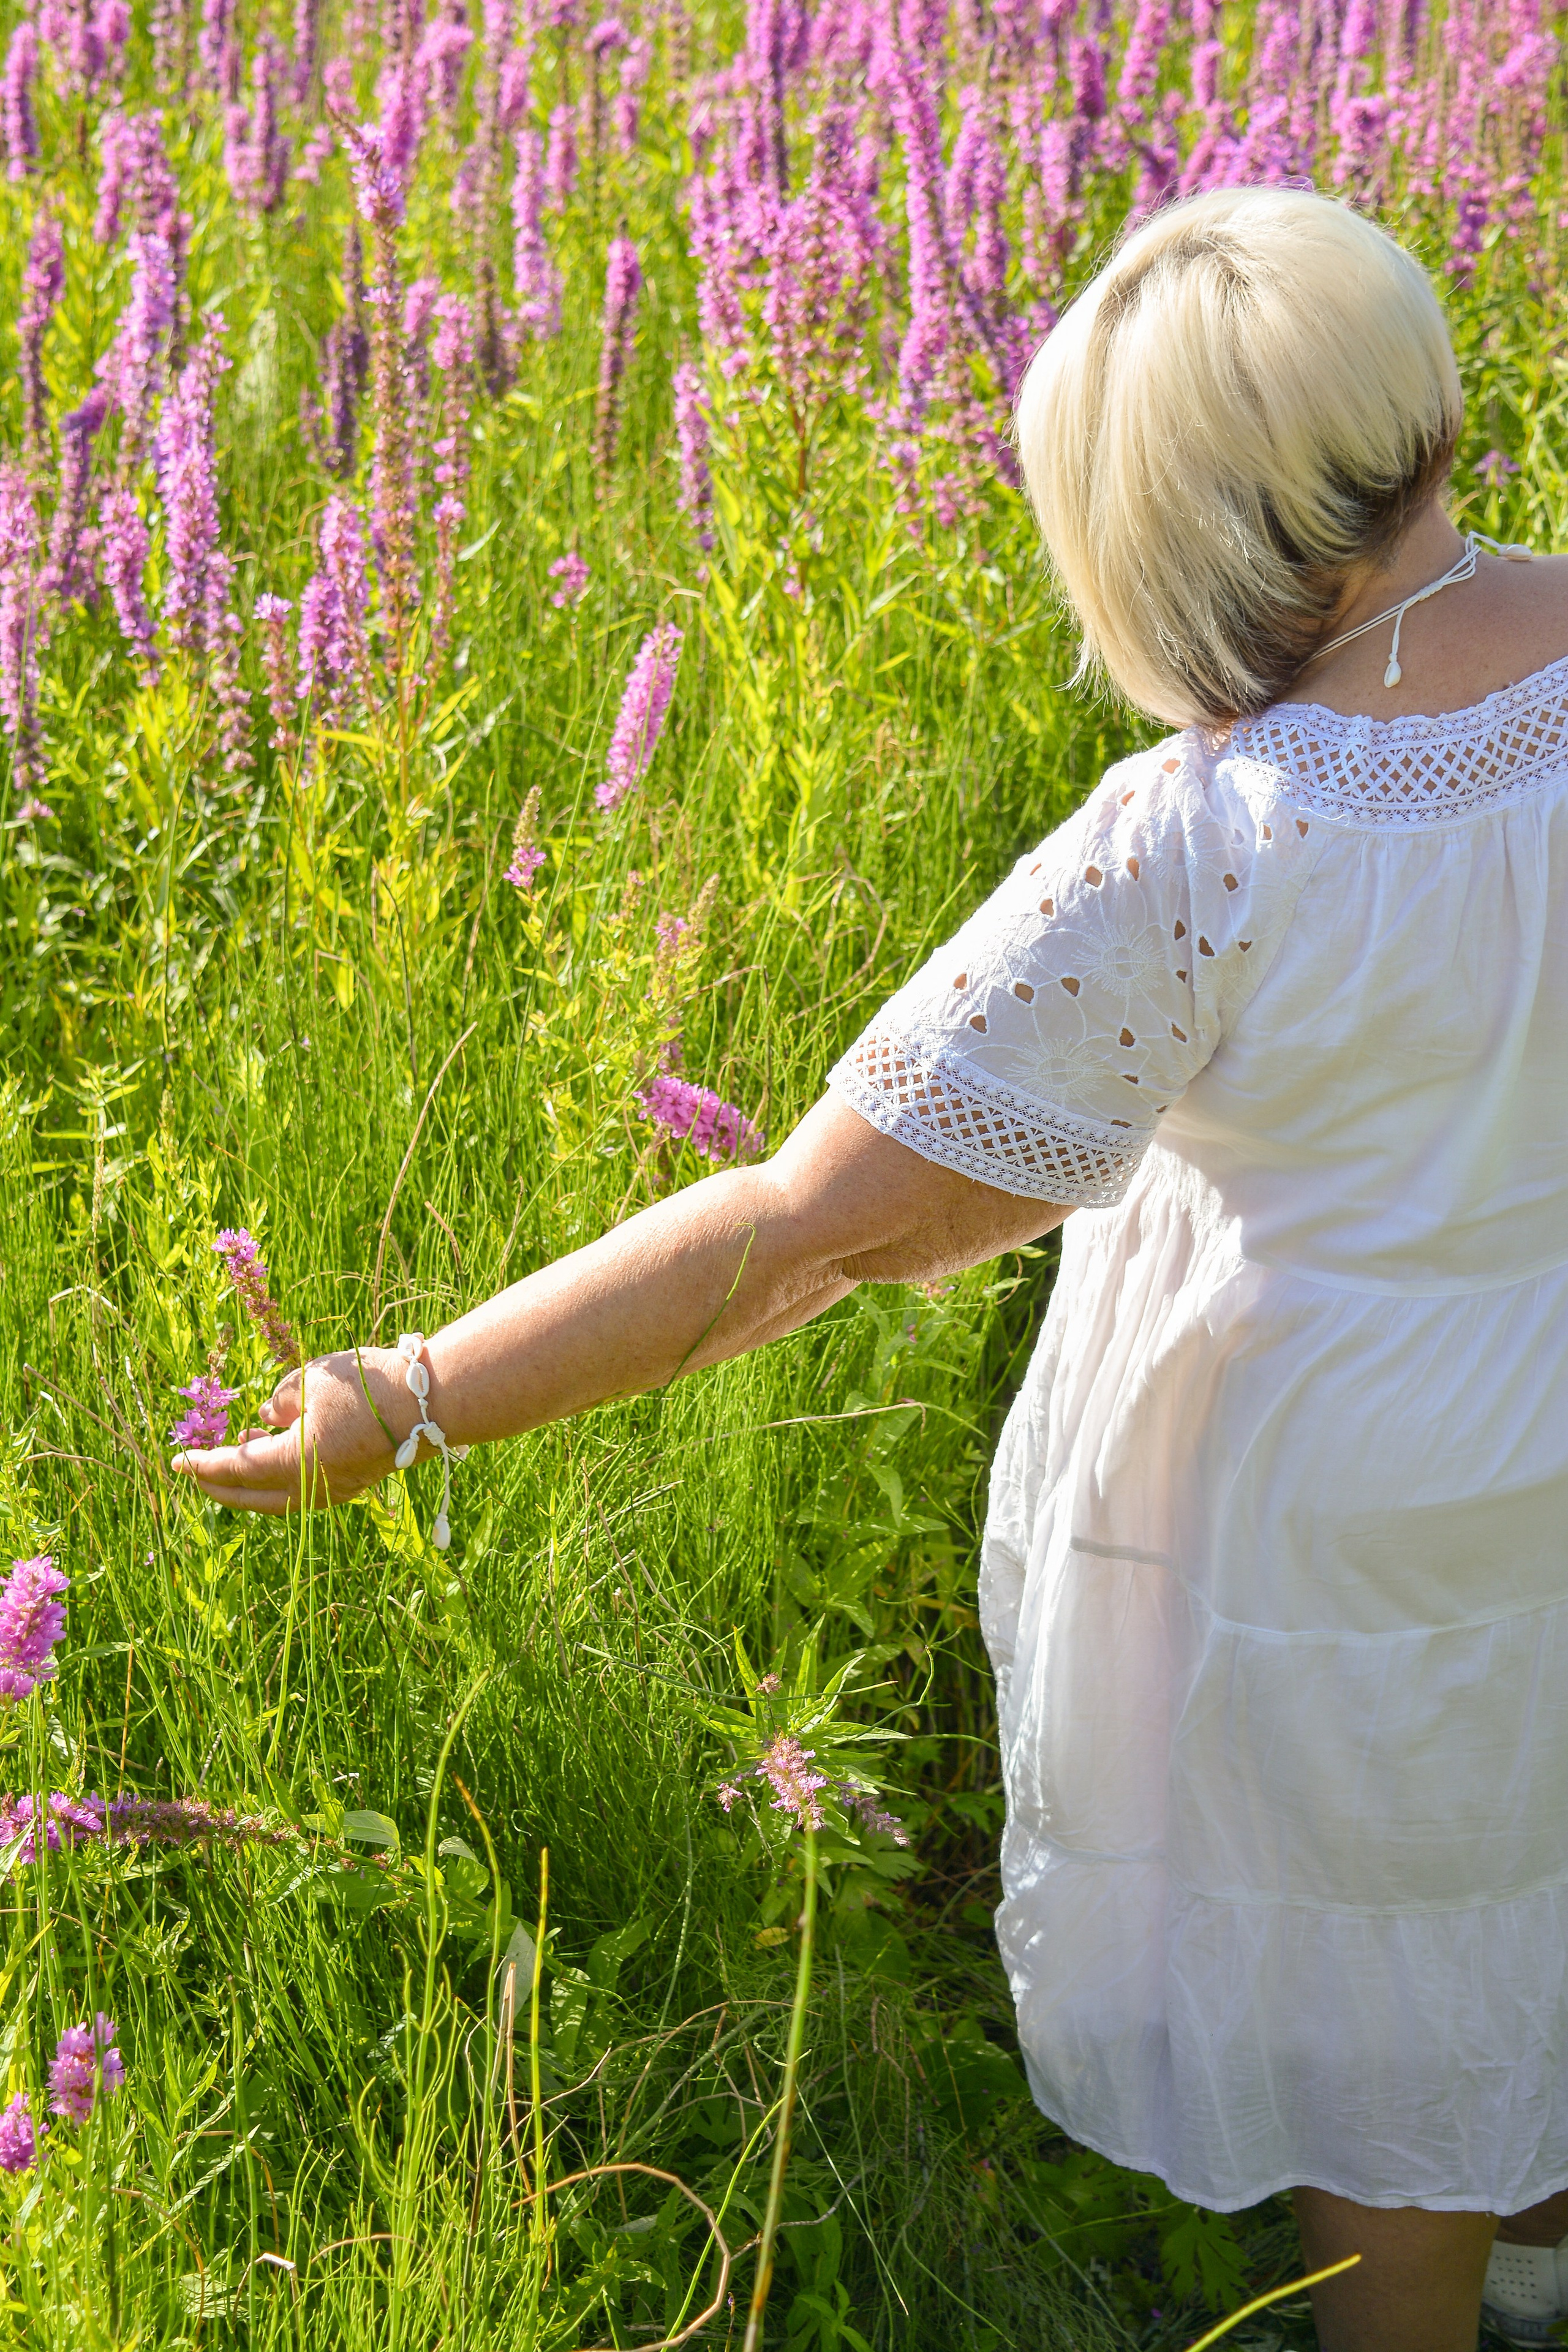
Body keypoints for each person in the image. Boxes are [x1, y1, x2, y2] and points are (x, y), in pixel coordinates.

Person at [175, 186, 1568, 2352]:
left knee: (1390, 2046)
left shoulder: (1210, 840)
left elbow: (788, 1226)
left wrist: (410, 1387)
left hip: (1346, 1516)